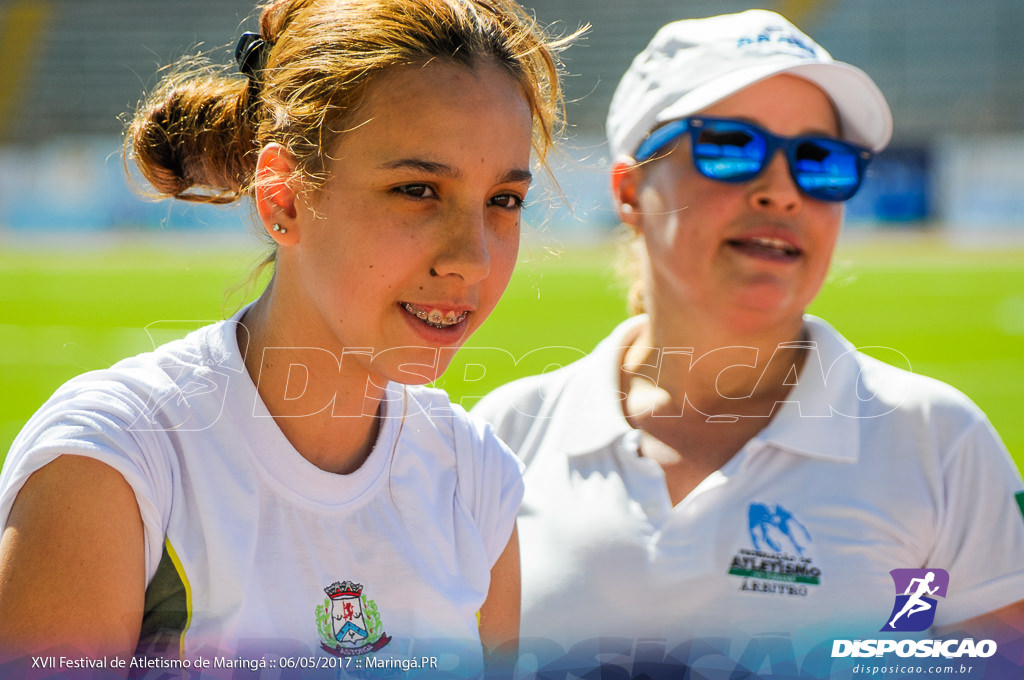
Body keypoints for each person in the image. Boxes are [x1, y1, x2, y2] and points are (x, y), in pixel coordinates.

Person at [0, 0, 575, 674]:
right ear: (284, 198)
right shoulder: (117, 464)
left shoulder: (474, 479)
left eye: (503, 201)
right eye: (418, 190)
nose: (473, 259)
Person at [472, 9, 1024, 677]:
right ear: (629, 189)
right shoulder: (499, 440)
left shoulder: (940, 445)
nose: (782, 191)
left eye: (820, 160)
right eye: (731, 146)